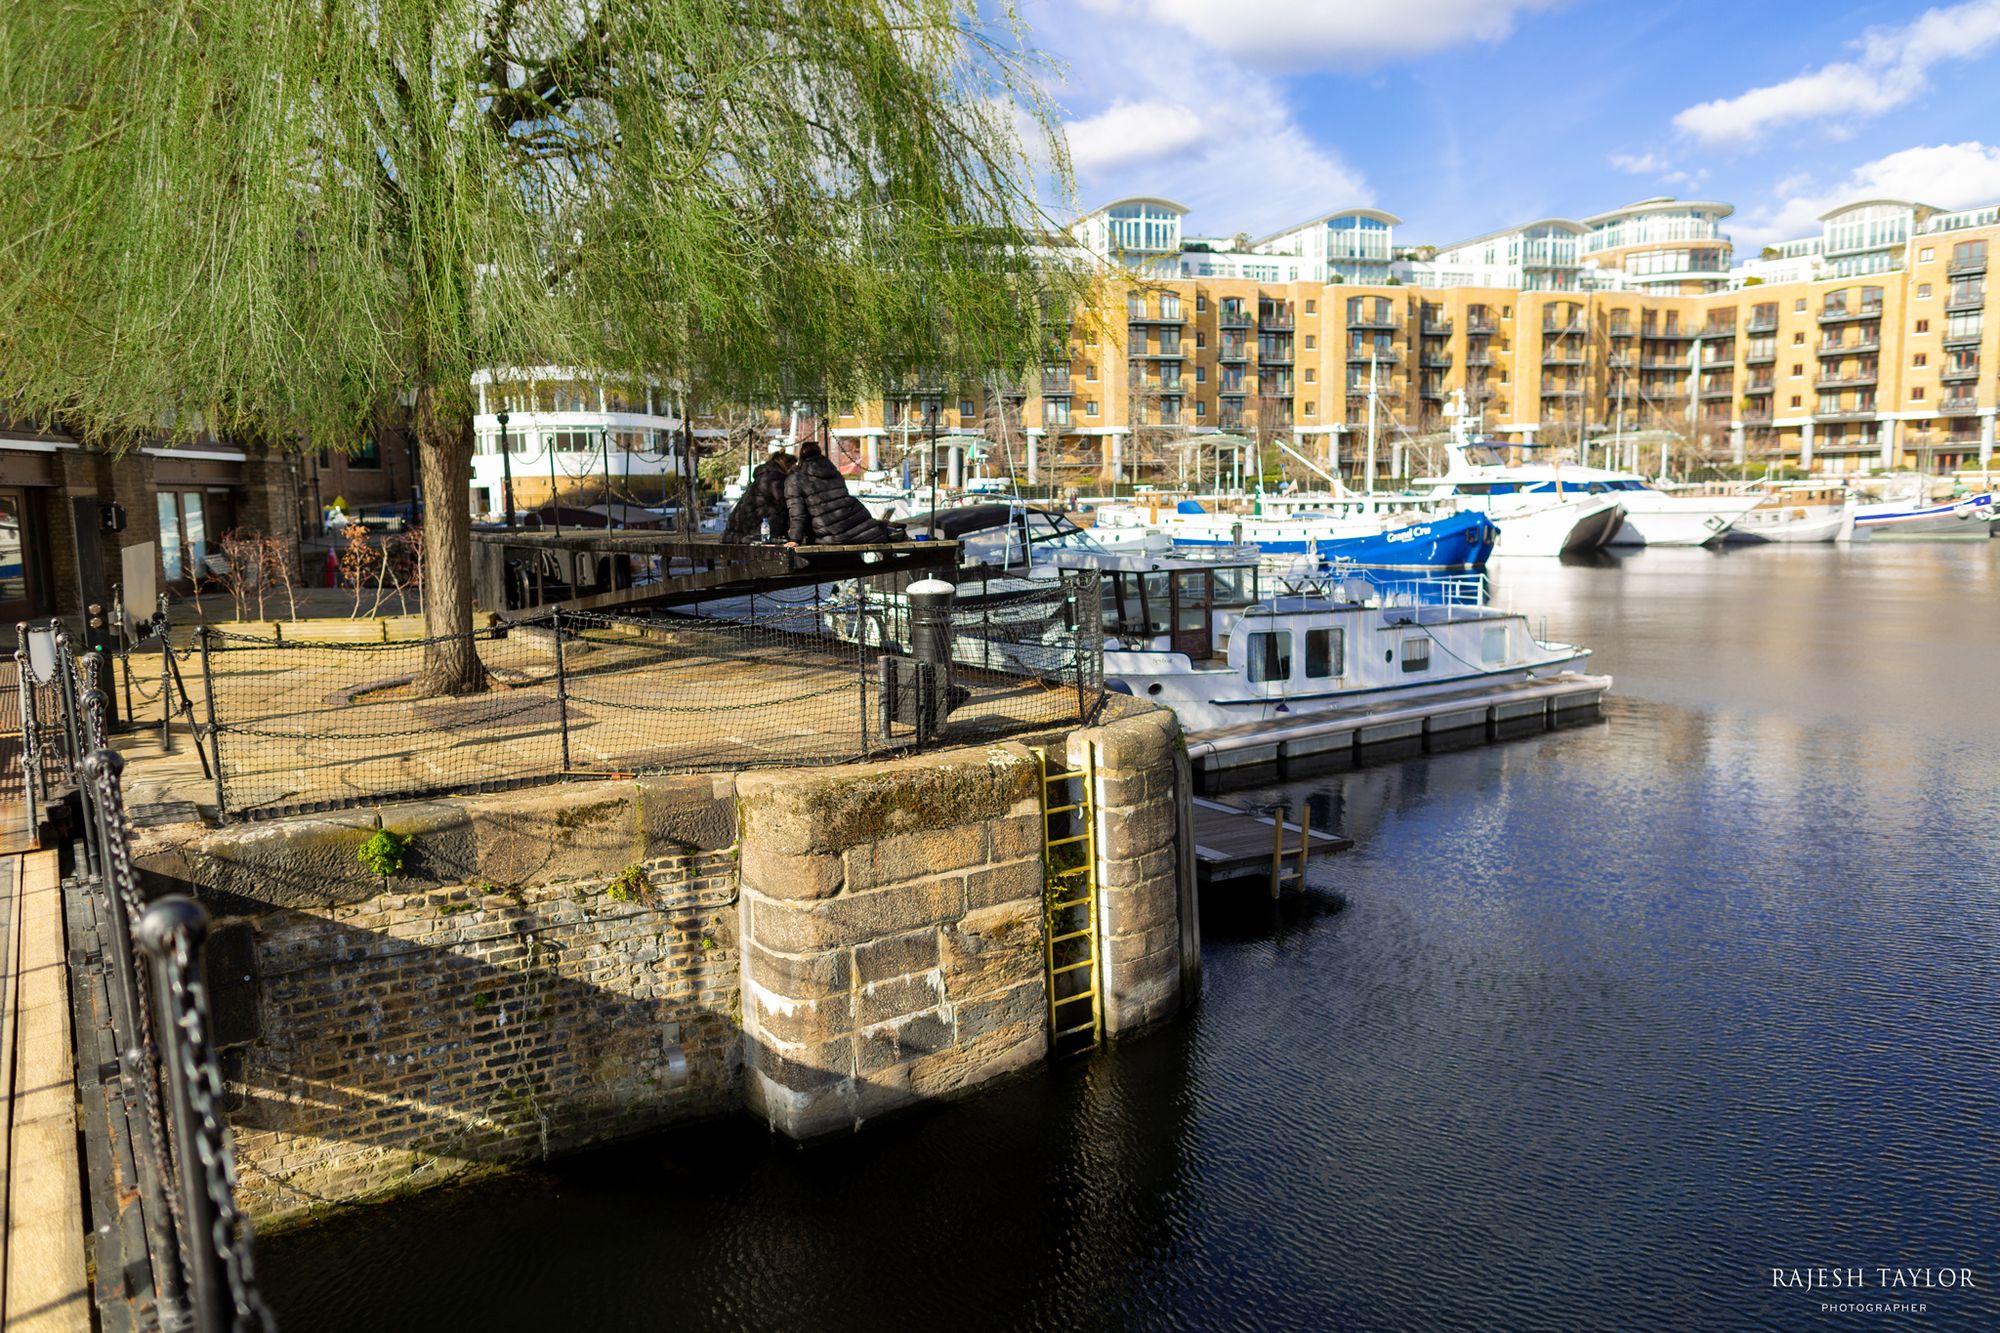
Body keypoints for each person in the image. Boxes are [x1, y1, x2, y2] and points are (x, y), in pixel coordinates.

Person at [785, 440, 890, 545]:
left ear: (800, 456)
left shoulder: (795, 479)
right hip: (859, 528)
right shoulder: (835, 473)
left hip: (831, 534)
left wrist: (795, 539)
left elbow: (797, 513)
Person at [721, 451, 795, 542]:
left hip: (737, 529)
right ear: (787, 466)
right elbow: (787, 504)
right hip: (756, 529)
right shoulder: (777, 479)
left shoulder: (762, 477)